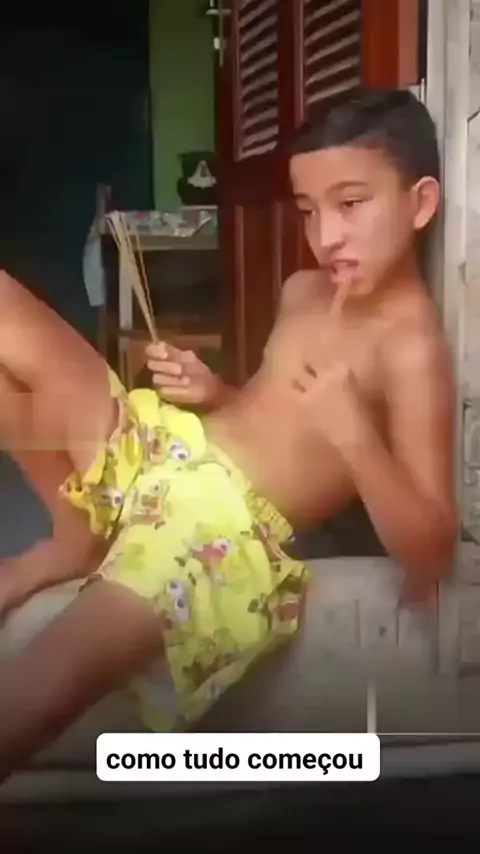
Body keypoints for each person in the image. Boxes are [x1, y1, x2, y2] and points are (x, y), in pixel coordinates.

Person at [0, 90, 457, 780]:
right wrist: (217, 393)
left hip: (214, 533)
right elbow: (276, 425)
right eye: (309, 210)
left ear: (420, 204)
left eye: (351, 204)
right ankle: (73, 537)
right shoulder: (304, 290)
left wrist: (358, 438)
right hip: (167, 450)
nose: (326, 235)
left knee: (35, 688)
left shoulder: (411, 347)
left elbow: (433, 551)